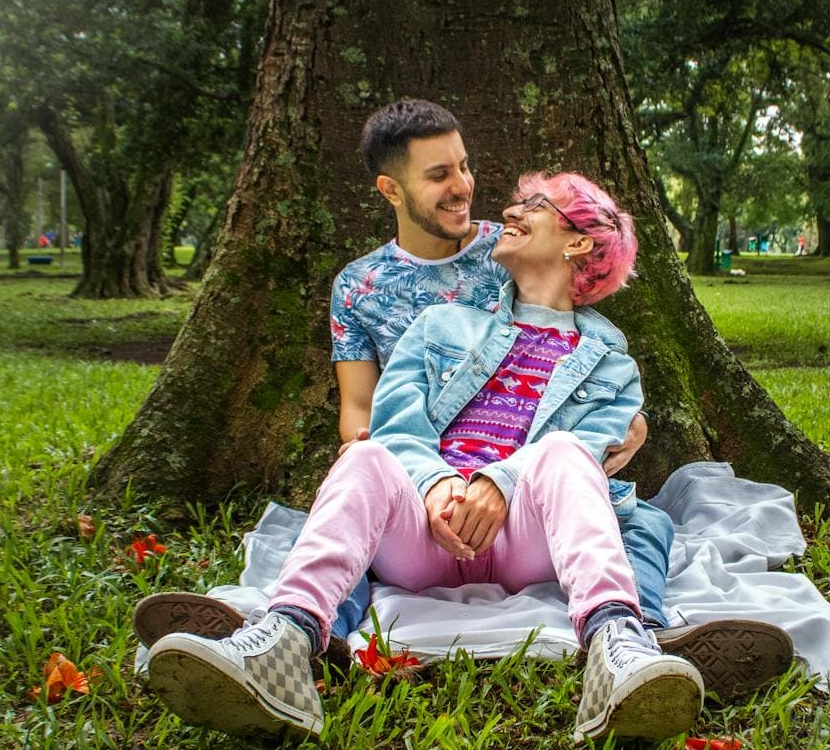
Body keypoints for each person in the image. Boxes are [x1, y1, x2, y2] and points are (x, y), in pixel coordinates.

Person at [134, 99, 790, 698]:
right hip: (429, 524)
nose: (484, 199)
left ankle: (622, 646)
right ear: (391, 189)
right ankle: (284, 640)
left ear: (576, 242)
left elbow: (592, 439)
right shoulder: (432, 320)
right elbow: (379, 420)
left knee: (588, 473)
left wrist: (520, 472)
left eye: (471, 171)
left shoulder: (601, 346)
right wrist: (427, 482)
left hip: (527, 524)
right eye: (440, 174)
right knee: (360, 460)